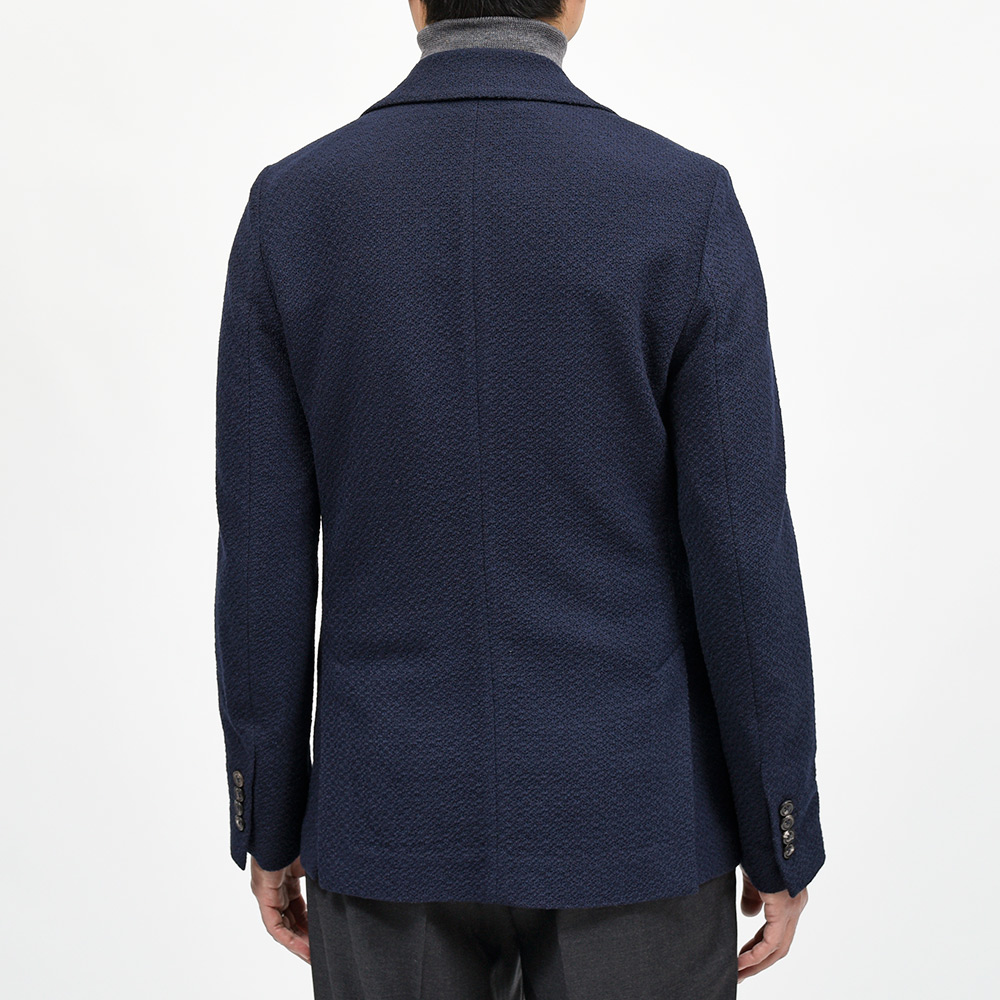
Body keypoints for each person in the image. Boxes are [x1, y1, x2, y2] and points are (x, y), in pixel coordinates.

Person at [213, 1, 826, 996]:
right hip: (635, 824)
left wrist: (268, 816)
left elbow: (261, 561)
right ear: (572, 1)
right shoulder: (680, 201)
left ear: (414, 0)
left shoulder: (295, 208)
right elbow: (742, 553)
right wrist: (778, 824)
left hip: (388, 819)